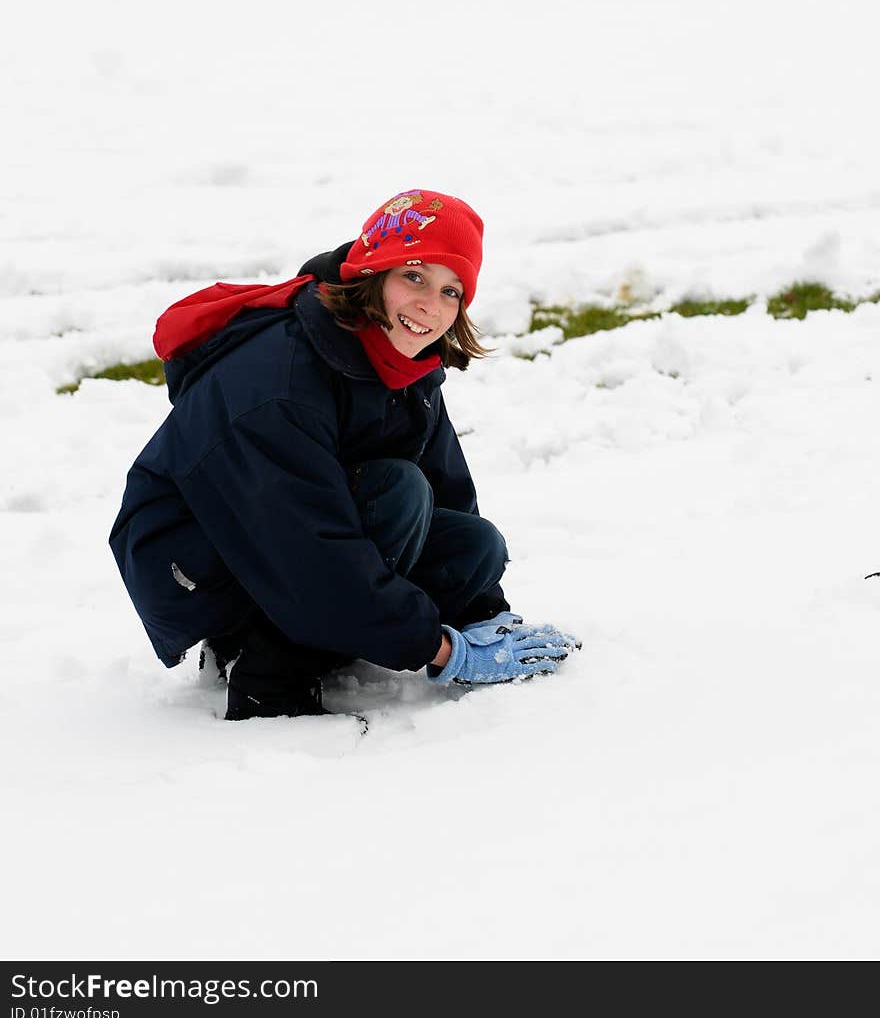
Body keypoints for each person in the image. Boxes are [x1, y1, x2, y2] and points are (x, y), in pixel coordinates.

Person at [109, 188, 578, 720]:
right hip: (197, 565)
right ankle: (265, 675)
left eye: (452, 291)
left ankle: (324, 632)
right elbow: (308, 551)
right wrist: (443, 652)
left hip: (290, 541)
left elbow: (449, 487)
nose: (431, 305)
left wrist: (484, 616)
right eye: (415, 275)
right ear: (373, 271)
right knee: (398, 495)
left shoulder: (405, 361)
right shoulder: (279, 379)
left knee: (473, 546)